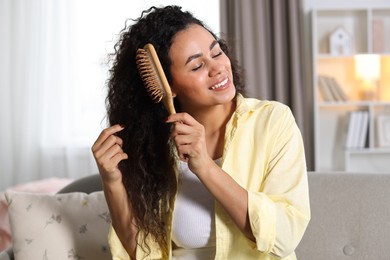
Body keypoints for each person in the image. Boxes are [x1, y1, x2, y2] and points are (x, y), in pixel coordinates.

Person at [92, 5, 310, 260]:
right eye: (197, 66)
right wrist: (112, 181)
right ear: (168, 88)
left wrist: (205, 166)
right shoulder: (155, 146)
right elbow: (142, 252)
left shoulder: (273, 122)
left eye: (216, 52)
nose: (217, 68)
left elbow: (285, 237)